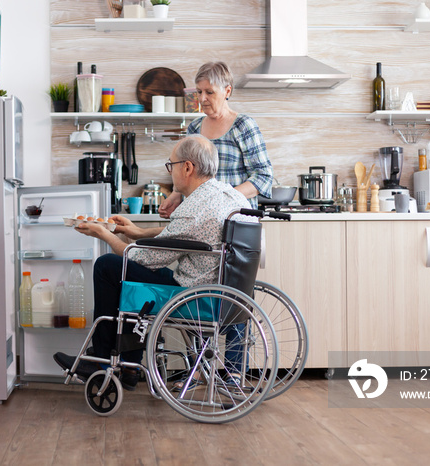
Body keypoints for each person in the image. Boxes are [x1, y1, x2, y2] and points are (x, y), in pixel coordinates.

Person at [53, 135, 251, 390]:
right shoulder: (232, 197)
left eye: (171, 165)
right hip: (226, 294)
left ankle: (103, 361)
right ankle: (127, 365)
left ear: (187, 167)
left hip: (193, 298)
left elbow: (138, 258)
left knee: (110, 267)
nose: (170, 172)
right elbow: (181, 234)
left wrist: (103, 234)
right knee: (136, 279)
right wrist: (138, 232)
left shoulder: (193, 209)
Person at [159, 61, 273, 216]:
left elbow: (263, 176)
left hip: (235, 218)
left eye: (209, 92)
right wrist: (175, 195)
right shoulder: (194, 128)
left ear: (227, 91)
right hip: (198, 217)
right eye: (199, 92)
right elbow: (187, 173)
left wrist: (222, 198)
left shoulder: (243, 126)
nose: (202, 98)